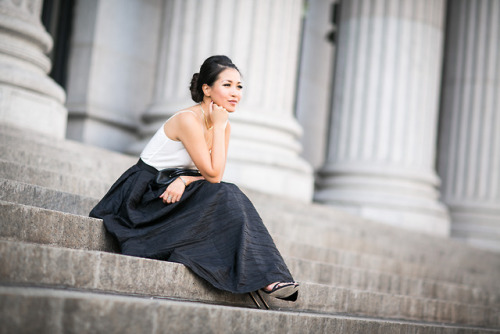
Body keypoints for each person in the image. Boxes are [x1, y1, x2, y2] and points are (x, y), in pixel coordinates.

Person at [90, 55, 299, 301]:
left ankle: (269, 276)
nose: (236, 93)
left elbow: (212, 173)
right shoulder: (188, 120)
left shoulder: (222, 123)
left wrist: (185, 181)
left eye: (239, 86)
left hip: (173, 188)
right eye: (227, 85)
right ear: (207, 89)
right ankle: (265, 277)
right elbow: (214, 175)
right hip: (143, 196)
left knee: (229, 195)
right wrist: (219, 129)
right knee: (225, 193)